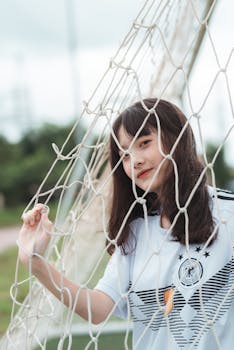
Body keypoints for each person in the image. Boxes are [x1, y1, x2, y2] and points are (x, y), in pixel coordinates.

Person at [19, 98, 234, 349]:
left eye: (144, 143)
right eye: (125, 154)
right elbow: (97, 309)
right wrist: (35, 262)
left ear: (178, 139)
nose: (136, 160)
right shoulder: (135, 231)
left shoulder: (227, 211)